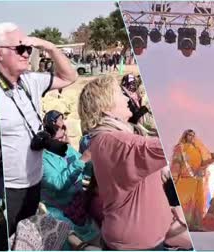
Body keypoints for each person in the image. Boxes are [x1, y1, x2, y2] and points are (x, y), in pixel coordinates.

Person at [78, 75, 192, 250]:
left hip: (143, 233)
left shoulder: (102, 138)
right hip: (140, 244)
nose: (126, 98)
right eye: (119, 94)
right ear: (106, 107)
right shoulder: (120, 143)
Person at [0, 22, 77, 235]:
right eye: (20, 49)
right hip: (10, 189)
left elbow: (70, 77)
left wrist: (48, 46)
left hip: (35, 182)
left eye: (29, 49)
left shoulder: (31, 81)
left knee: (27, 240)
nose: (26, 54)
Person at [40, 110, 100, 250]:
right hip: (61, 215)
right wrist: (82, 160)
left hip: (80, 209)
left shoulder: (67, 150)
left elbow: (87, 168)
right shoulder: (43, 159)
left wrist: (96, 162)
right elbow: (58, 184)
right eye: (59, 135)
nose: (64, 136)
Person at [170, 130, 214, 231]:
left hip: (196, 180)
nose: (192, 137)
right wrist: (174, 177)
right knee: (183, 201)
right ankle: (181, 223)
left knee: (196, 202)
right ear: (185, 136)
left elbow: (202, 163)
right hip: (184, 178)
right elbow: (176, 163)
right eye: (190, 135)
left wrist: (210, 159)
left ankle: (194, 224)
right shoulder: (180, 148)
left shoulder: (197, 149)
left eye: (193, 135)